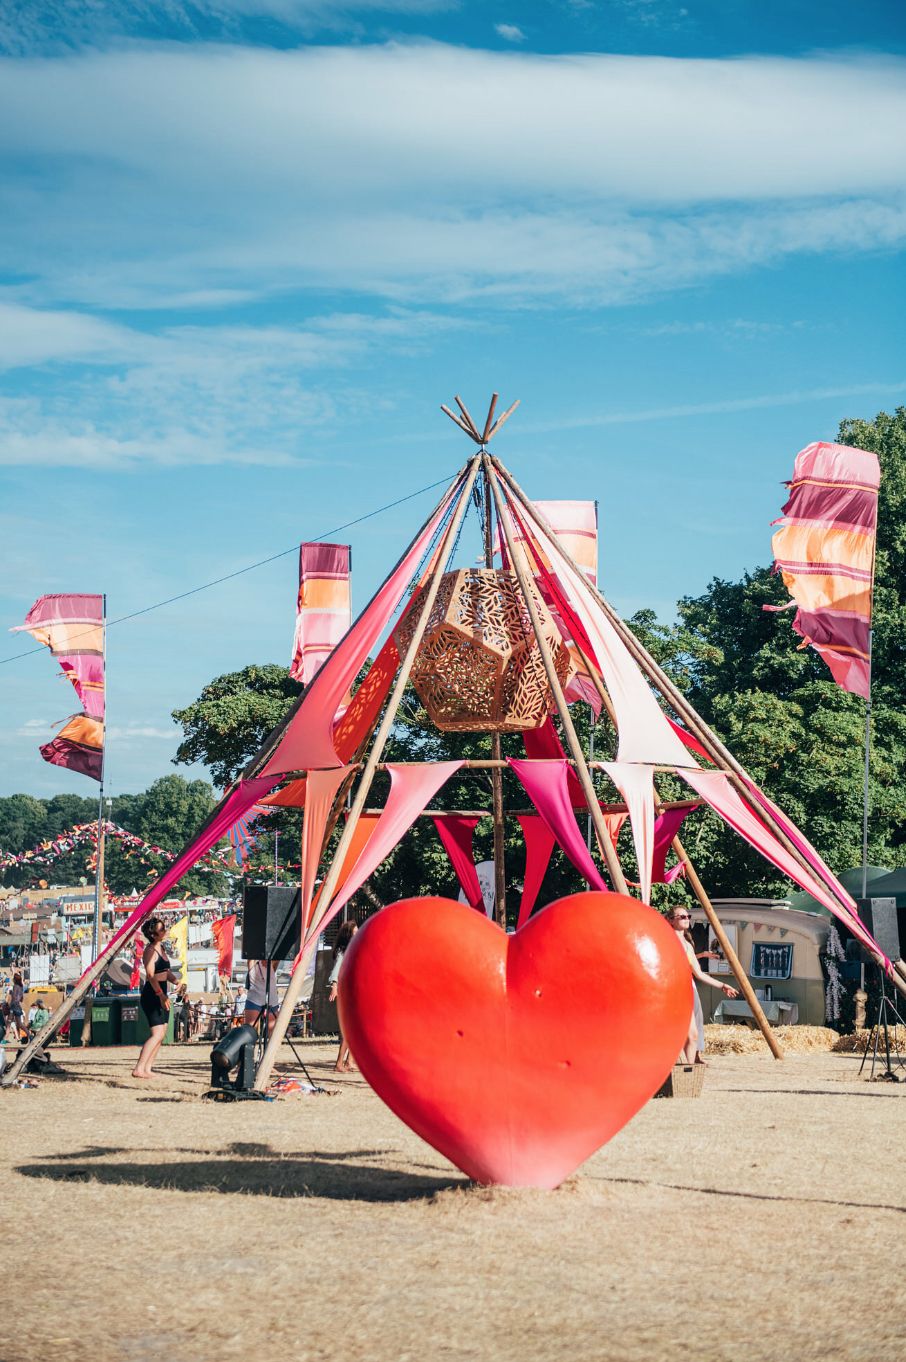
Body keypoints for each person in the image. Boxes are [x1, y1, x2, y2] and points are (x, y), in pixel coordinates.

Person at [665, 906, 738, 1065]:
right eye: (682, 916)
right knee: (678, 1036)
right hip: (670, 989)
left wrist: (722, 985)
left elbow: (698, 973)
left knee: (693, 1035)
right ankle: (677, 1073)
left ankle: (688, 1074)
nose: (686, 919)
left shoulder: (687, 945)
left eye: (687, 916)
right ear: (671, 920)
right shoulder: (664, 939)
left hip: (686, 988)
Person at [132, 918, 178, 1079]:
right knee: (157, 1034)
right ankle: (139, 1068)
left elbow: (166, 971)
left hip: (162, 991)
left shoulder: (162, 948)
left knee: (162, 1033)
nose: (165, 931)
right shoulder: (150, 951)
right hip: (153, 994)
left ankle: (148, 1068)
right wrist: (161, 995)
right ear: (153, 934)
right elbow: (151, 975)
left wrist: (177, 982)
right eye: (162, 929)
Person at [328, 921, 358, 1072]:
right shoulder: (342, 951)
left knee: (356, 1030)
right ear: (348, 935)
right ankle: (339, 1063)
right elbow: (336, 971)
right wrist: (334, 987)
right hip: (346, 993)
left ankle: (349, 1061)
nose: (357, 933)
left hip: (354, 992)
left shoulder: (354, 949)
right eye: (355, 932)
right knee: (349, 1031)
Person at [244, 961, 280, 1037]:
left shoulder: (272, 964)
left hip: (272, 1000)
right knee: (249, 1031)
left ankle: (271, 1048)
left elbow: (277, 961)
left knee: (273, 1033)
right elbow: (250, 957)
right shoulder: (254, 964)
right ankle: (248, 1047)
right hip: (254, 1000)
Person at [8, 972, 28, 1042]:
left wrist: (11, 993)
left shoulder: (15, 986)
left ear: (15, 980)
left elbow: (14, 997)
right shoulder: (21, 987)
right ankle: (29, 1035)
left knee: (8, 1023)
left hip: (13, 1006)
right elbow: (21, 999)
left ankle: (4, 1039)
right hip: (18, 1006)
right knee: (19, 1024)